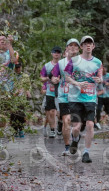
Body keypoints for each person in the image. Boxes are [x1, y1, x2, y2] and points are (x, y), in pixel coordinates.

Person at [64, 35, 102, 163]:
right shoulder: (74, 60)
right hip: (75, 98)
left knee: (90, 124)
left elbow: (100, 77)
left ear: (93, 46)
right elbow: (67, 77)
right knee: (76, 128)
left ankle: (86, 152)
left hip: (90, 98)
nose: (88, 45)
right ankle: (75, 140)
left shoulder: (98, 62)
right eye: (85, 43)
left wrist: (99, 79)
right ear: (81, 46)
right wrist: (77, 83)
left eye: (90, 43)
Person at [53, 39, 80, 156]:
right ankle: (67, 147)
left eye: (75, 45)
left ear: (78, 49)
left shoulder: (82, 62)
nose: (73, 47)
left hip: (78, 96)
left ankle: (76, 138)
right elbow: (54, 76)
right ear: (67, 48)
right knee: (66, 120)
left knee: (76, 124)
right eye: (70, 45)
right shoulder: (60, 63)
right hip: (64, 96)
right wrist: (55, 79)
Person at [40, 47, 62, 138]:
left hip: (61, 93)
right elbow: (41, 78)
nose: (56, 54)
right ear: (51, 53)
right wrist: (49, 78)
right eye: (54, 52)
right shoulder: (47, 66)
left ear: (61, 54)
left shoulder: (64, 65)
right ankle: (52, 130)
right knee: (51, 112)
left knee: (60, 114)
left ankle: (60, 126)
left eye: (58, 52)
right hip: (50, 92)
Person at [10, 60, 31, 137]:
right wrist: (14, 92)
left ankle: (21, 129)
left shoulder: (25, 76)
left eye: (19, 67)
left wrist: (27, 92)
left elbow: (28, 86)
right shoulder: (11, 76)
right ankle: (15, 130)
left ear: (21, 67)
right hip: (13, 98)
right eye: (16, 67)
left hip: (22, 98)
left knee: (21, 114)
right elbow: (8, 87)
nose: (18, 69)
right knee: (13, 114)